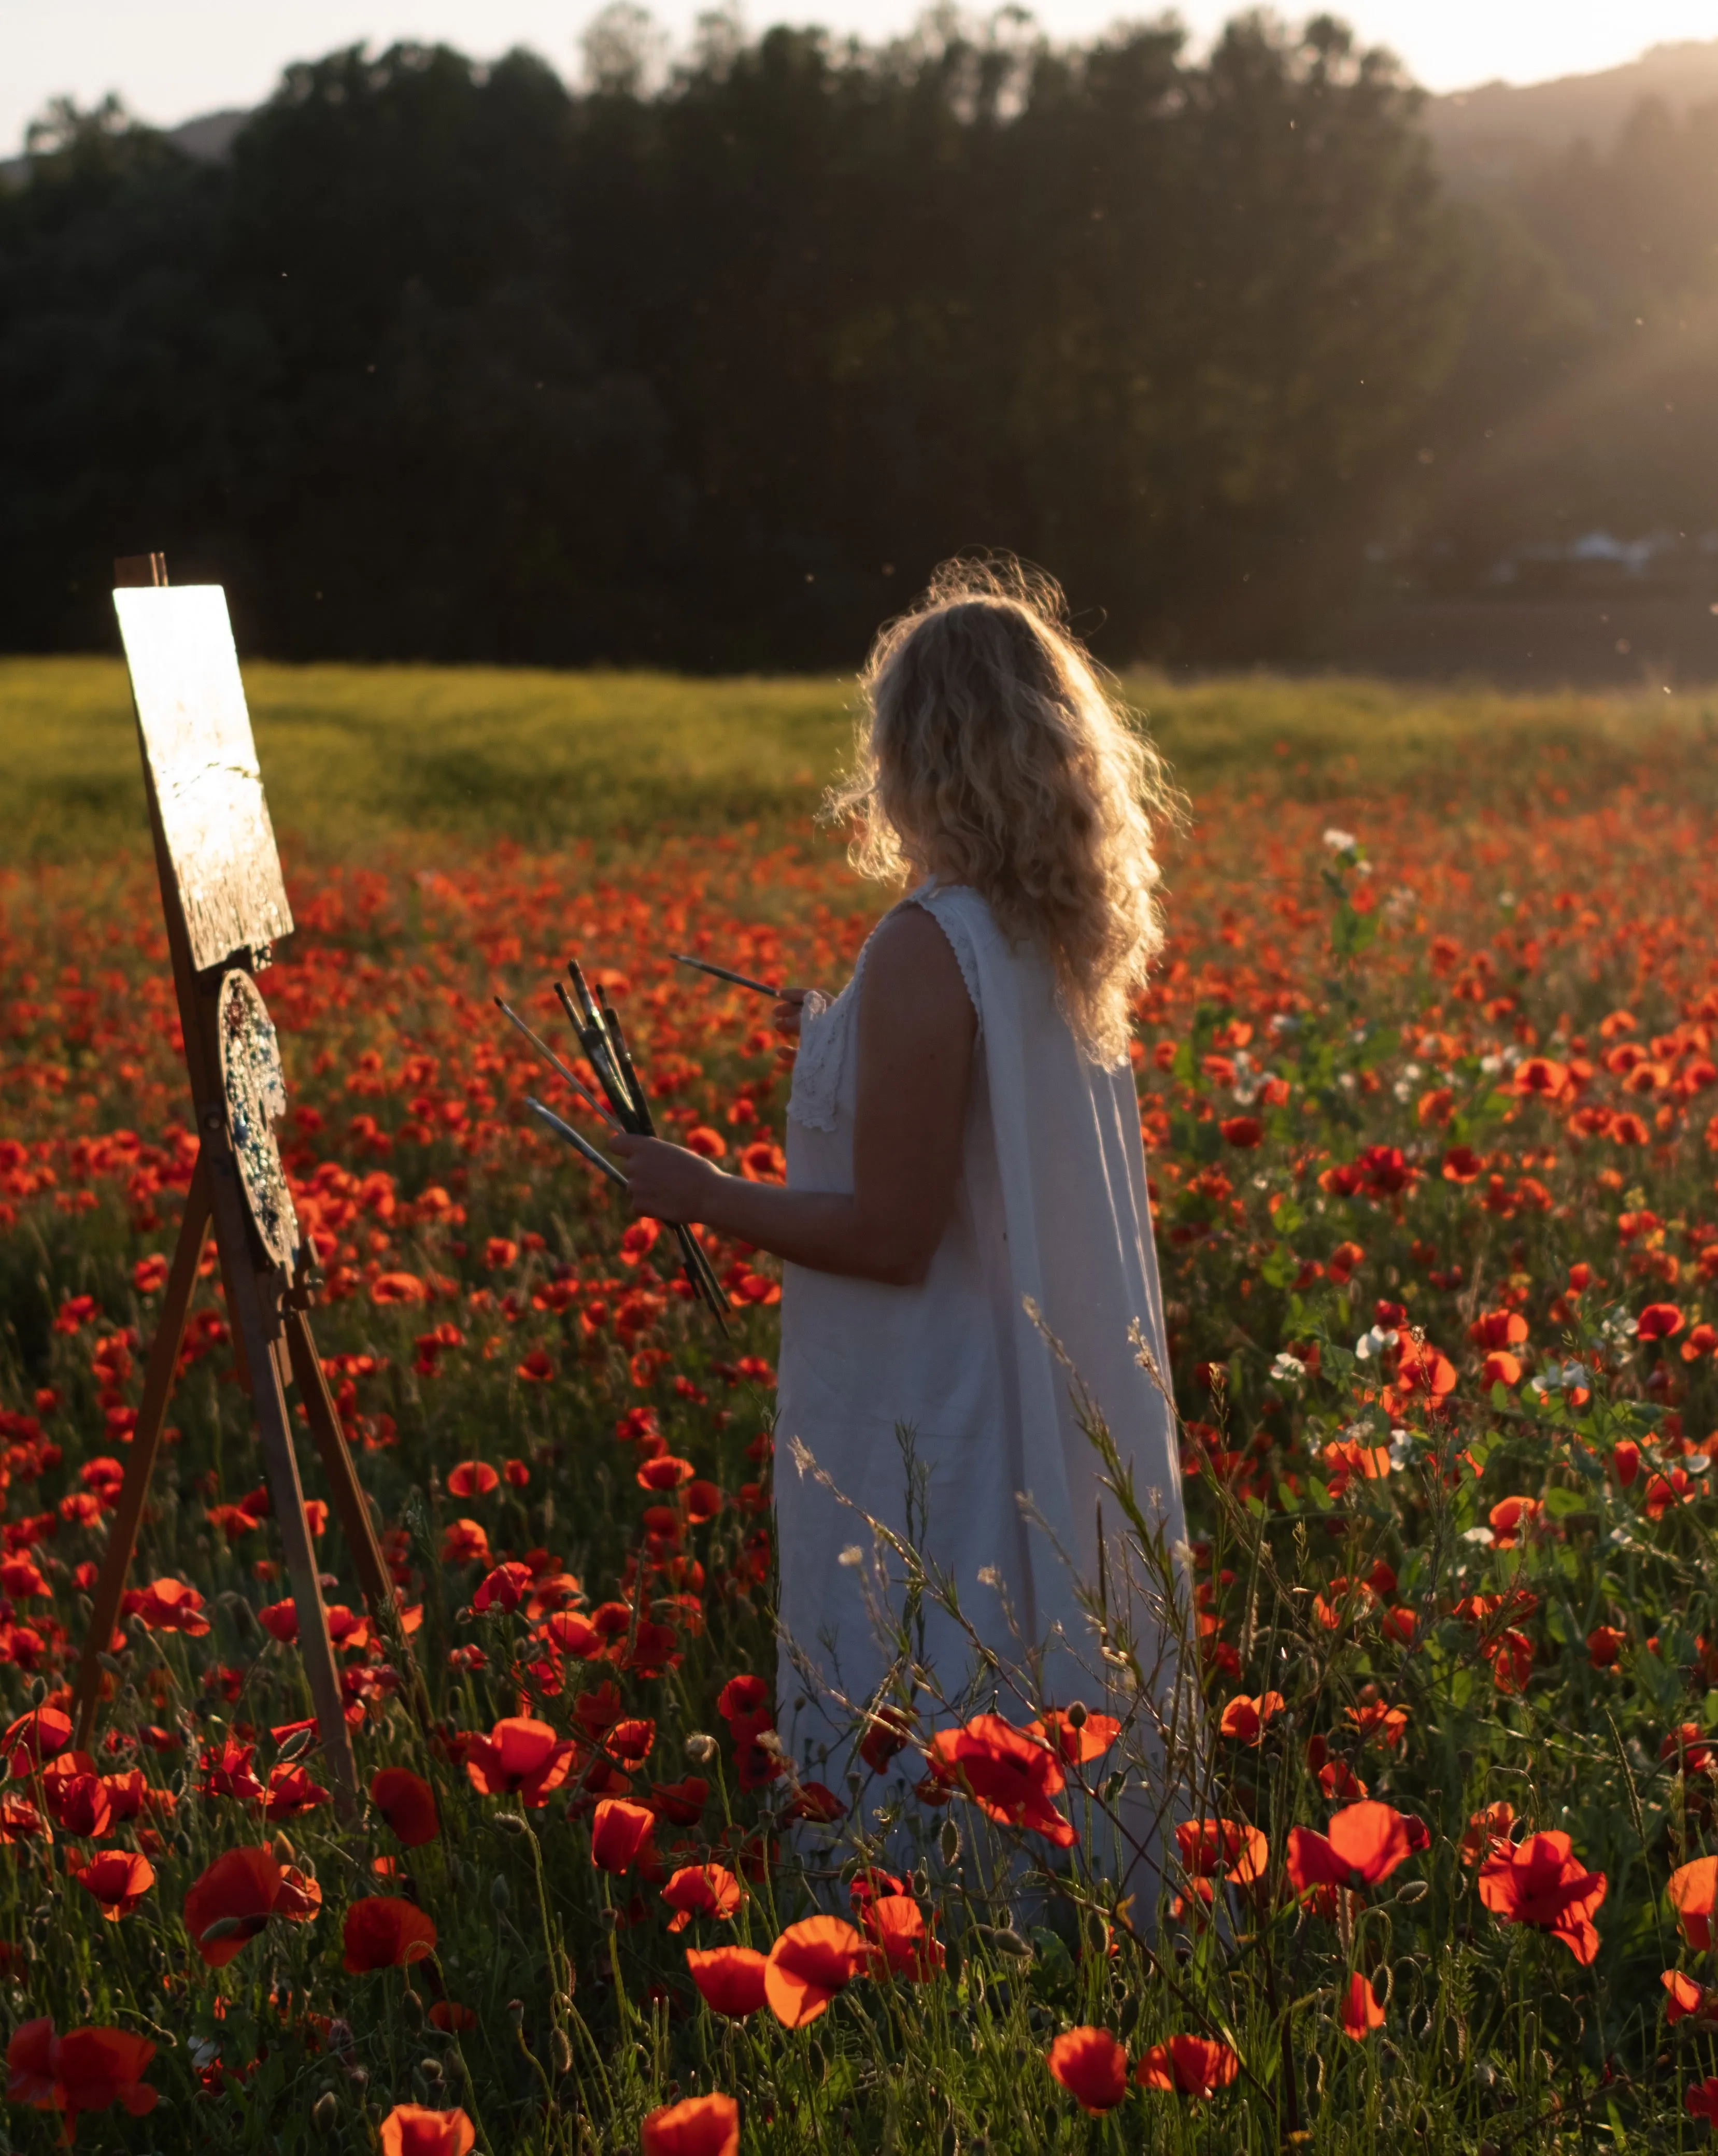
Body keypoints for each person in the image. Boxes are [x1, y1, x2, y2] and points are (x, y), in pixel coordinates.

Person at [614, 558, 1187, 1873]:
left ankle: (943, 1947)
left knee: (932, 1710)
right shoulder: (1050, 931)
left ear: (915, 750)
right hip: (1020, 1393)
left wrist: (696, 1190)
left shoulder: (929, 942)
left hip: (940, 1419)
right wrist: (843, 1036)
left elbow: (891, 1233)